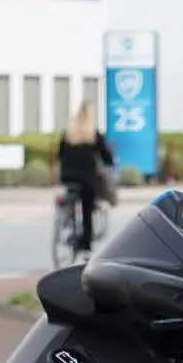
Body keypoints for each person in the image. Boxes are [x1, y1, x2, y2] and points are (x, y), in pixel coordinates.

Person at [56, 102, 114, 256]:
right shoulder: (93, 134)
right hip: (87, 179)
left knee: (73, 196)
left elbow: (60, 155)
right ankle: (85, 245)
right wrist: (110, 162)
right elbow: (106, 157)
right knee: (87, 209)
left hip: (68, 177)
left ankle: (68, 222)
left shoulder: (68, 133)